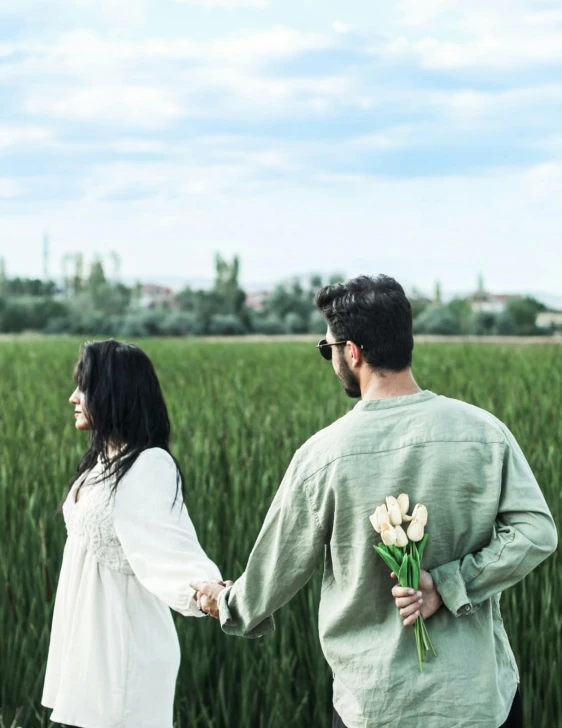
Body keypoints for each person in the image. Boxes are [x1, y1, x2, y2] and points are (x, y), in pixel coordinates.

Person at [192, 274, 557, 728]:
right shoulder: (485, 433)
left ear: (352, 352)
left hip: (376, 706)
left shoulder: (322, 456)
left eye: (328, 349)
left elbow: (272, 573)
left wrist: (224, 603)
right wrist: (449, 585)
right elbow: (537, 533)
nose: (331, 358)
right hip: (479, 702)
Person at [42, 339, 222, 728]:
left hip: (122, 648)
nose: (73, 397)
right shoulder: (103, 461)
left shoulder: (147, 465)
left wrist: (205, 590)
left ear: (112, 392)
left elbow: (169, 547)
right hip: (89, 641)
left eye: (83, 386)